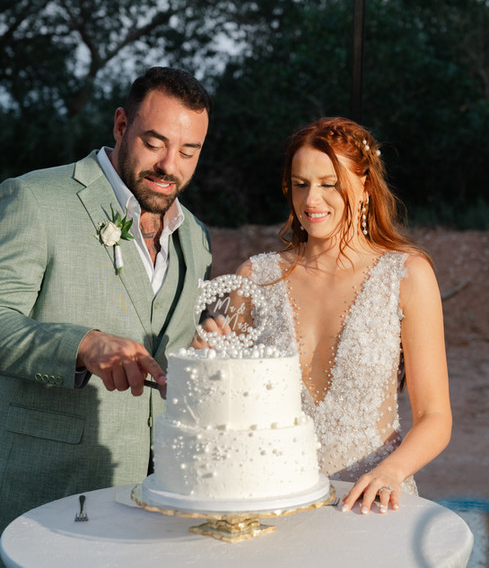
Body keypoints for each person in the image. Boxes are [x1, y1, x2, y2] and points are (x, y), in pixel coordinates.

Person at [194, 116, 452, 515]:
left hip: (371, 506)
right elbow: (223, 405)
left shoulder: (406, 275)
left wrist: (391, 471)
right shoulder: (255, 278)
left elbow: (435, 417)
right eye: (300, 184)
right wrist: (206, 361)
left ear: (364, 186)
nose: (311, 200)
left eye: (329, 184)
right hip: (273, 502)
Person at [0, 66, 212, 536]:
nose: (169, 166)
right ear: (121, 126)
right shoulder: (34, 199)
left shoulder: (196, 236)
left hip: (162, 502)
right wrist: (81, 345)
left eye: (188, 151)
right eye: (154, 142)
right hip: (50, 493)